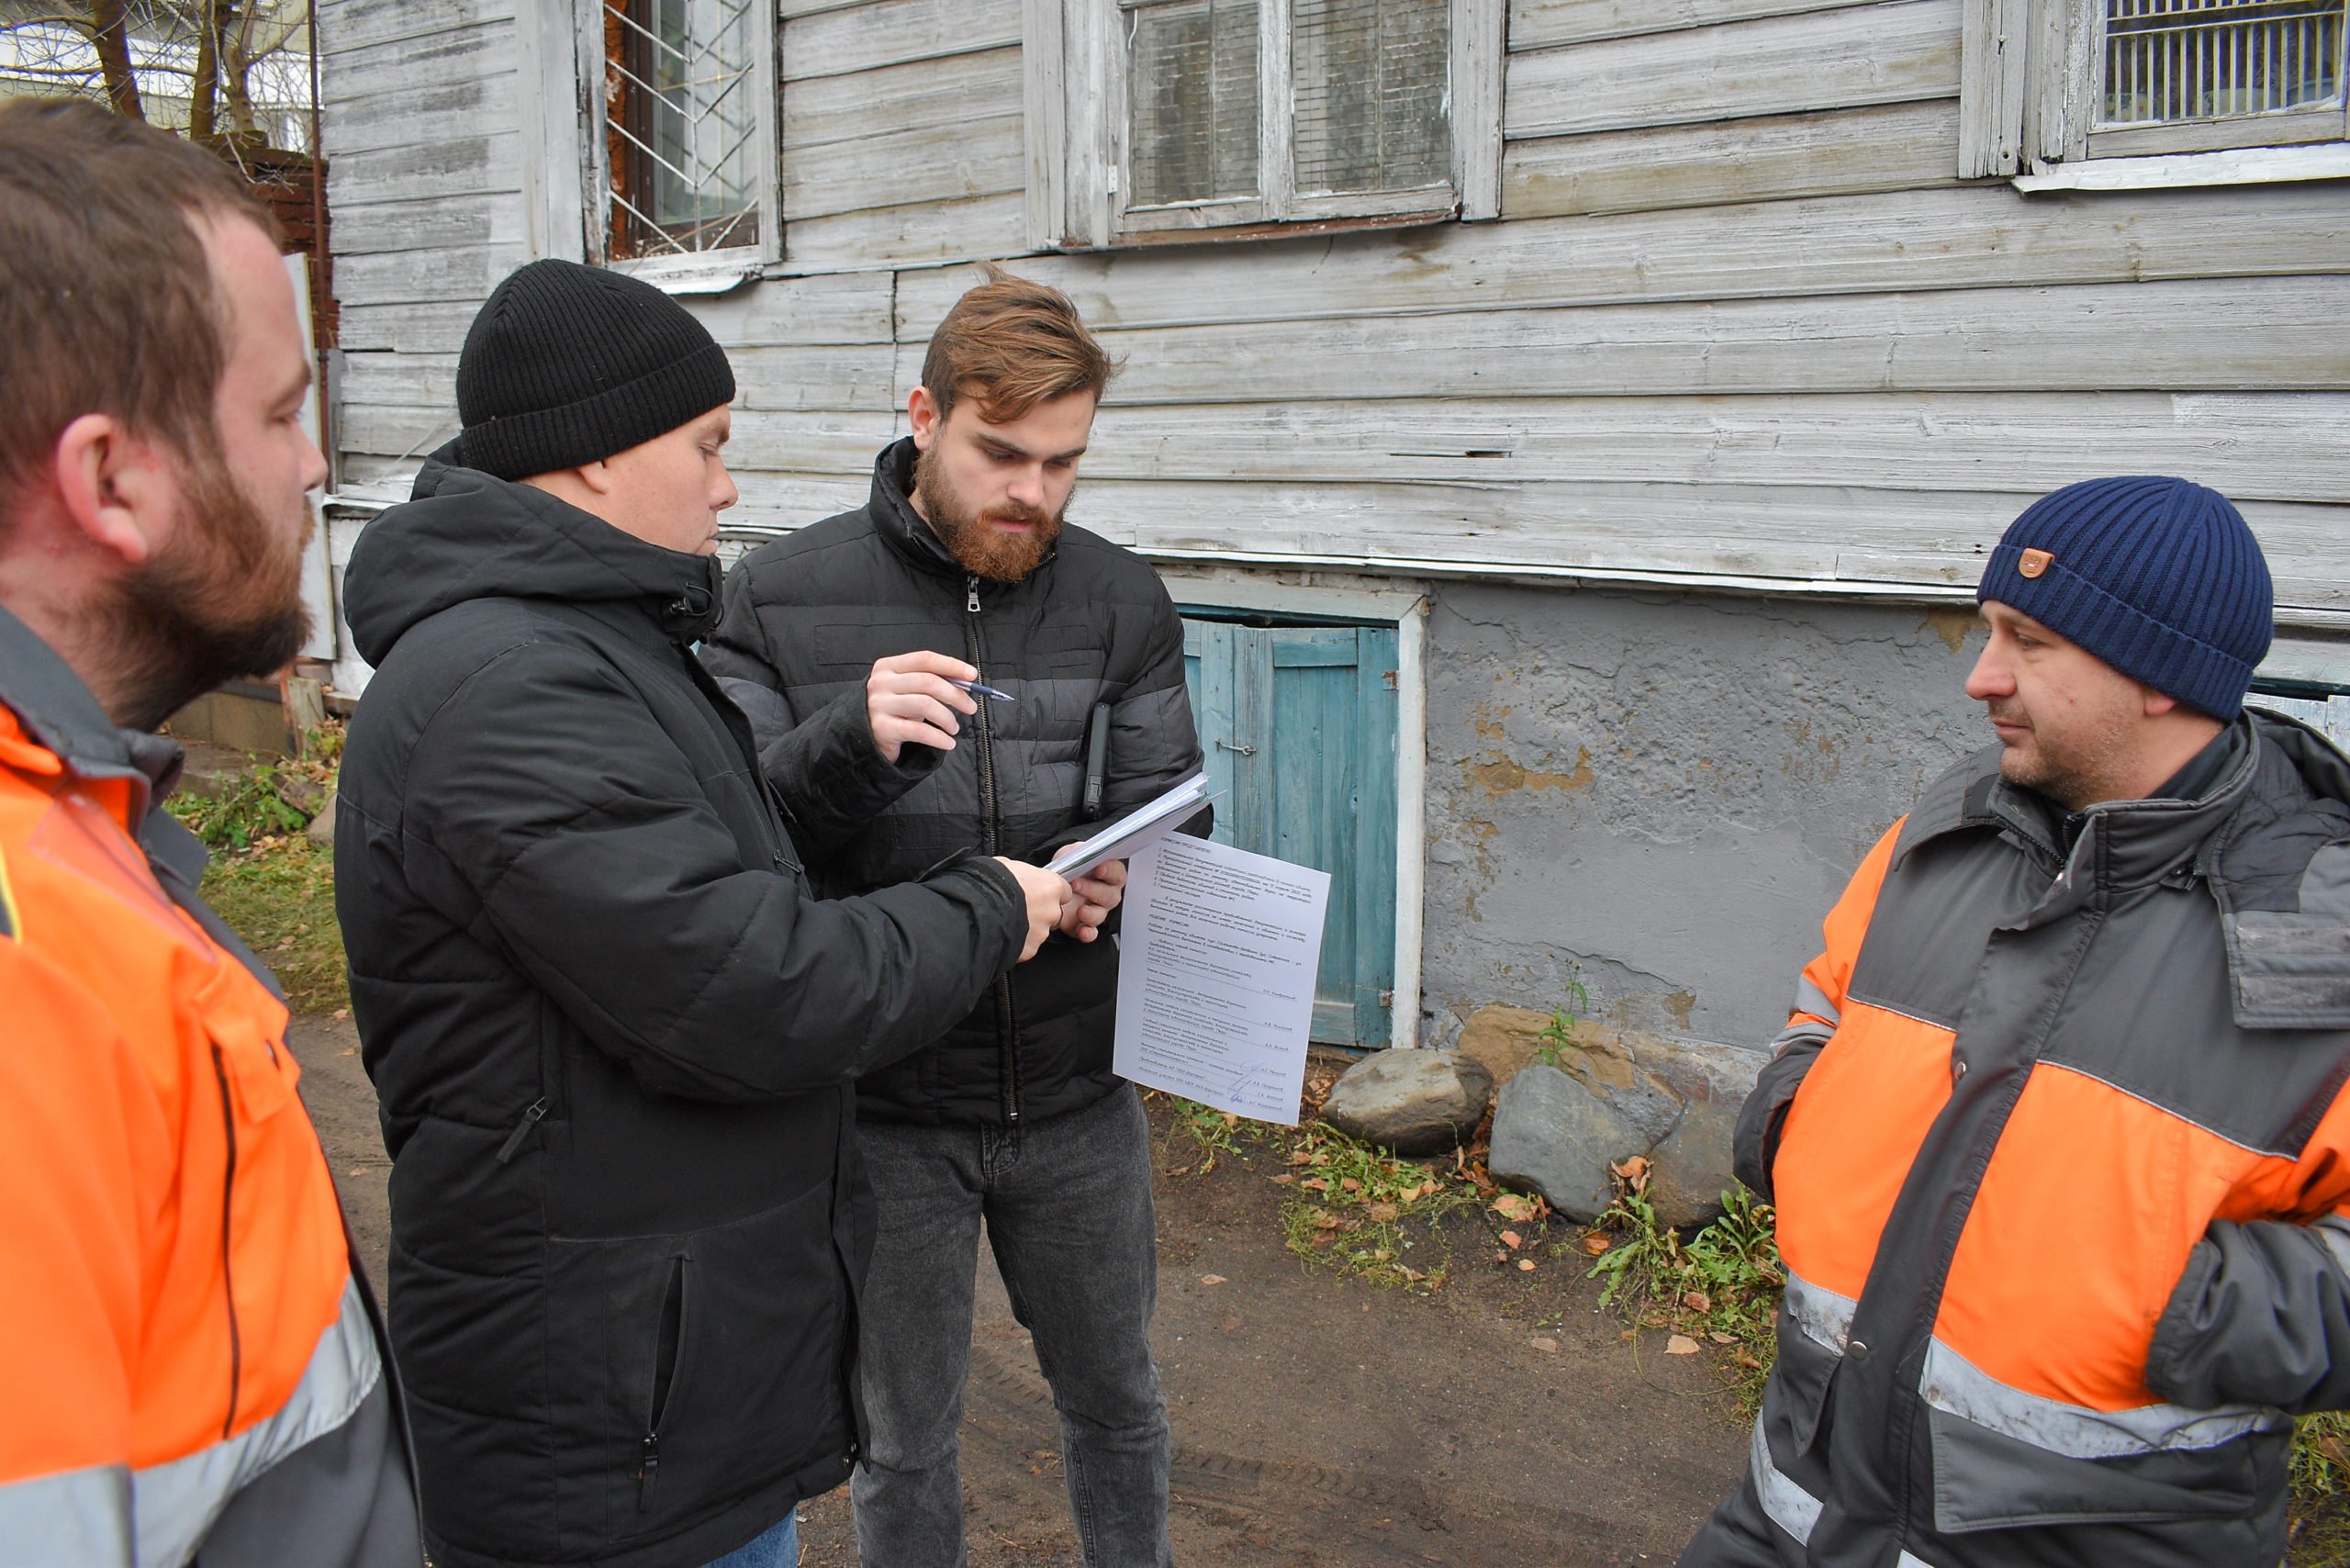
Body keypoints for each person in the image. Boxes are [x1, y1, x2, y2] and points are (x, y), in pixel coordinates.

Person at [332, 258, 1070, 1568]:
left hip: (658, 1391)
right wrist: (985, 903)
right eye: (708, 445)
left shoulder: (584, 643)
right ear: (597, 460)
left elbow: (682, 878)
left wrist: (850, 758)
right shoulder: (513, 686)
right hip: (607, 1435)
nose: (729, 487)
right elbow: (754, 990)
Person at [1683, 476, 2350, 1568]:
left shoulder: (2316, 927)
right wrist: (1791, 1123)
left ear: (2158, 672)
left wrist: (2173, 1299)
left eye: (2026, 641)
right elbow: (1823, 1008)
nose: (1979, 675)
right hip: (1792, 1509)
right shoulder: (1938, 835)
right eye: (1991, 630)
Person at [702, 266, 1203, 1567]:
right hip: (886, 1109)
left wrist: (1121, 875)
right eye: (1001, 452)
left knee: (1119, 1404)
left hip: (1079, 1093)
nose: (1031, 491)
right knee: (902, 1437)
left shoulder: (1121, 600)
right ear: (922, 415)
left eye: (1063, 461)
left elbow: (1169, 806)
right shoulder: (775, 598)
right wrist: (851, 741)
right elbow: (741, 849)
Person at [0, 100, 420, 1565]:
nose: (313, 467)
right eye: (282, 410)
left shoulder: (75, 827)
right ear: (113, 479)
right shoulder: (28, 968)